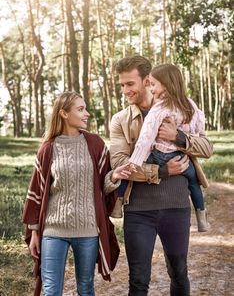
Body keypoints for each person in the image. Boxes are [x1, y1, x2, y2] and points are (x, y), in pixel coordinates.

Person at [109, 56, 213, 296]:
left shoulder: (182, 108)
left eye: (130, 84)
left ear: (148, 81)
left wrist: (178, 137)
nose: (125, 90)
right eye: (122, 85)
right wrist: (162, 171)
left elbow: (207, 148)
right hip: (138, 210)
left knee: (178, 272)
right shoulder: (120, 120)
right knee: (138, 279)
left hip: (176, 206)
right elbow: (120, 163)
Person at [22, 91, 132, 296]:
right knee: (51, 290)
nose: (87, 114)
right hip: (53, 231)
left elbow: (103, 187)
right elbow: (37, 191)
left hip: (88, 230)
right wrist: (35, 232)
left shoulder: (95, 144)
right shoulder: (48, 148)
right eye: (80, 109)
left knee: (85, 288)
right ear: (64, 113)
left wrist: (114, 176)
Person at [120, 63, 209, 232]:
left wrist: (136, 160)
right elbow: (199, 122)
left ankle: (118, 203)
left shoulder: (159, 108)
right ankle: (202, 218)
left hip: (161, 154)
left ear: (165, 84)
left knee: (126, 172)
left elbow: (146, 138)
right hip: (182, 157)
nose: (151, 88)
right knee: (194, 184)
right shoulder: (189, 104)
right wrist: (190, 135)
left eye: (153, 84)